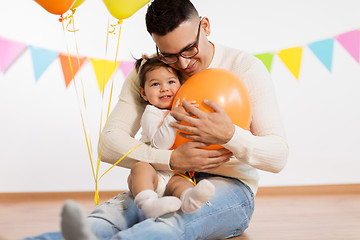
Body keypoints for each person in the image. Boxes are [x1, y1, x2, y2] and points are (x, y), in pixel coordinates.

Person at [24, 0, 288, 239]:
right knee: (105, 220)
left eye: (189, 49)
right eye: (169, 55)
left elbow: (278, 156)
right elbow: (109, 144)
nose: (183, 64)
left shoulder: (245, 68)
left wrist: (230, 135)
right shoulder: (150, 72)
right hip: (161, 178)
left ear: (205, 26)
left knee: (174, 223)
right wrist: (171, 159)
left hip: (230, 187)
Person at [128, 55, 215, 218]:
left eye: (171, 82)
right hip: (153, 175)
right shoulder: (151, 113)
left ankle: (189, 199)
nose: (164, 88)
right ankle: (149, 203)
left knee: (181, 184)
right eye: (155, 84)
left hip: (176, 174)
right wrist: (174, 116)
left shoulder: (182, 109)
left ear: (181, 85)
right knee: (140, 168)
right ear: (144, 93)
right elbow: (161, 144)